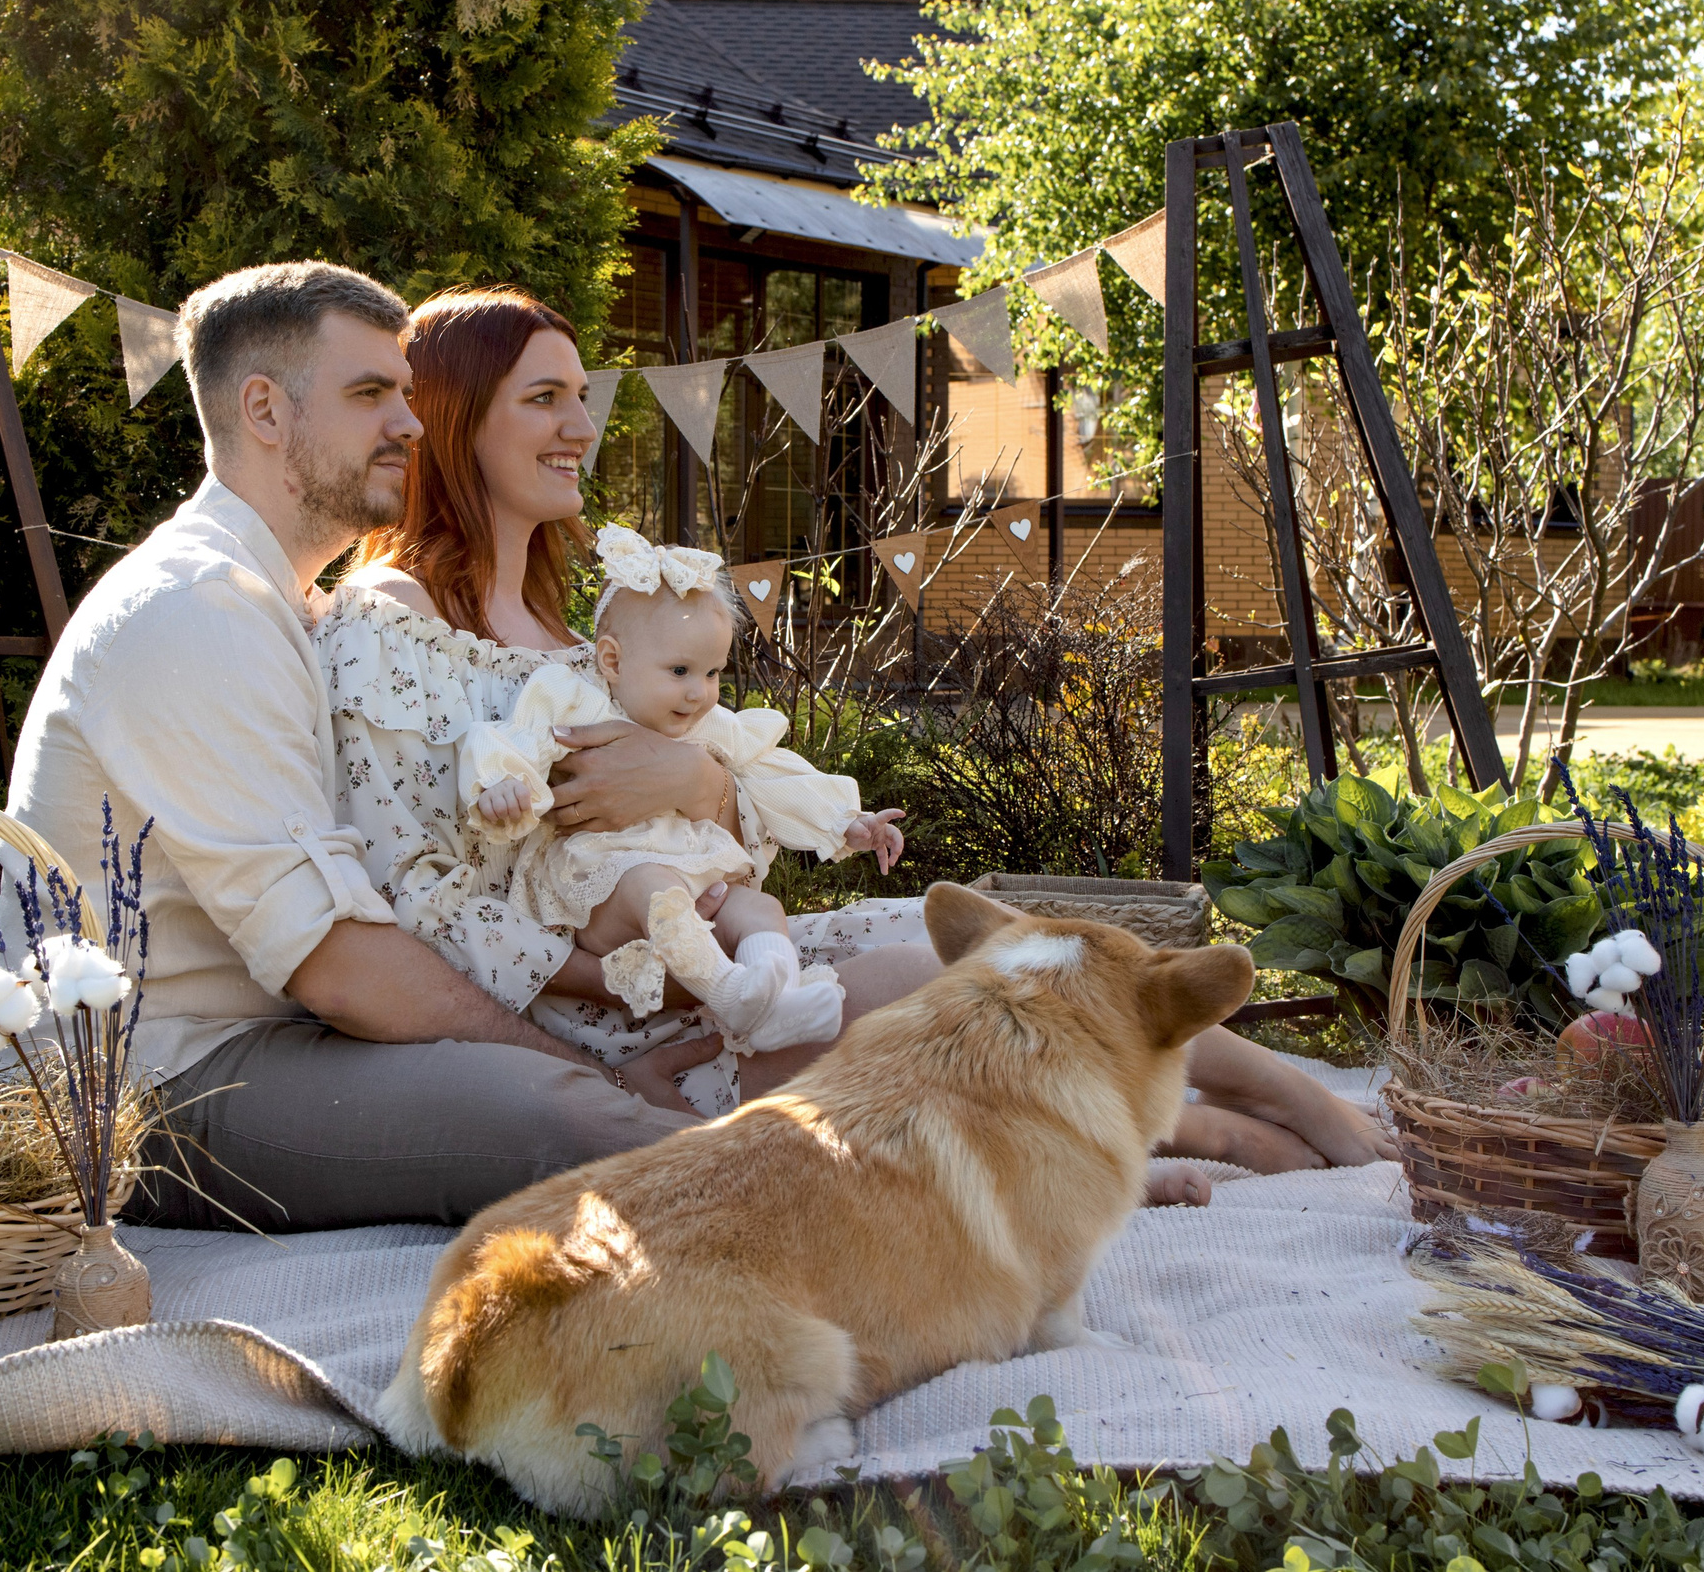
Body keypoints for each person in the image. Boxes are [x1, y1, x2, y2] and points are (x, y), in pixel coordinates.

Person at [322, 285, 1401, 1174]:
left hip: (726, 942)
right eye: (543, 399)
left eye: (580, 396)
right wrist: (616, 983)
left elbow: (703, 805)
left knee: (991, 941)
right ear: (457, 419)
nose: (580, 428)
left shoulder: (585, 629)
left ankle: (1303, 1104)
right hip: (618, 1003)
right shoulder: (394, 622)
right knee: (922, 990)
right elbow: (417, 895)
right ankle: (1208, 1133)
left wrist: (695, 784)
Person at [0, 262, 775, 1236]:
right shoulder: (194, 606)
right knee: (557, 1116)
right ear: (265, 410)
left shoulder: (286, 603)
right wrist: (594, 1067)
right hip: (158, 1082)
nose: (410, 425)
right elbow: (337, 965)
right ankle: (836, 1257)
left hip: (293, 1037)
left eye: (407, 396)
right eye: (371, 394)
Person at [456, 524, 908, 1116]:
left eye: (713, 673)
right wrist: (502, 786)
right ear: (613, 660)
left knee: (758, 909)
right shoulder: (573, 697)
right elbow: (515, 740)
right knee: (655, 886)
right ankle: (732, 995)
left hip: (692, 879)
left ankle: (775, 1000)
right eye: (679, 672)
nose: (700, 693)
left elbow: (767, 769)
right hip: (600, 887)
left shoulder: (703, 723)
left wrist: (843, 819)